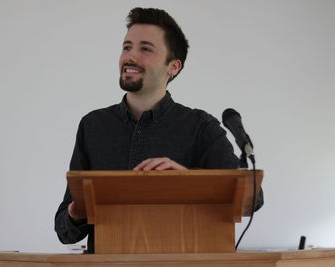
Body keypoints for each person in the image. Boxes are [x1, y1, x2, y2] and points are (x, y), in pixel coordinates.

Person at [55, 7, 263, 253]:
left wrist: (187, 181)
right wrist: (77, 212)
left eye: (145, 49)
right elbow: (65, 231)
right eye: (126, 47)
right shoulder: (93, 125)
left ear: (173, 67)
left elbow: (254, 199)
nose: (130, 56)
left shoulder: (201, 127)